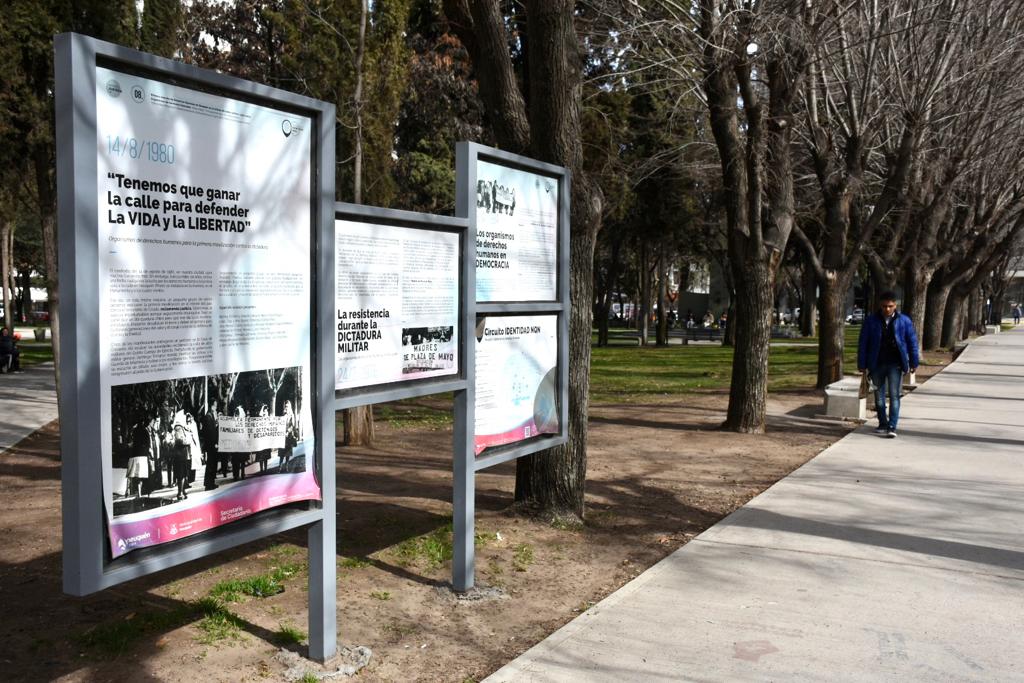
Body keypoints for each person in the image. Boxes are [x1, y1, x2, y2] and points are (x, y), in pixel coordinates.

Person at [857, 291, 919, 438]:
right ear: (880, 305)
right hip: (876, 363)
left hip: (895, 364)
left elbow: (912, 342)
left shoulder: (904, 320)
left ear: (895, 305)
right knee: (879, 398)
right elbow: (863, 343)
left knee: (894, 395)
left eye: (890, 306)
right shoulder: (871, 321)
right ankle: (882, 423)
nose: (887, 309)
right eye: (884, 306)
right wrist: (862, 363)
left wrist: (914, 362)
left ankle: (892, 426)